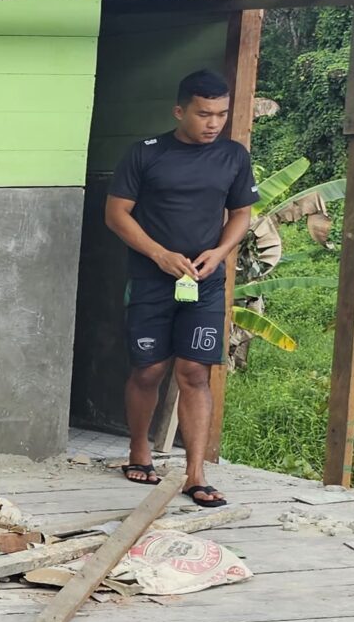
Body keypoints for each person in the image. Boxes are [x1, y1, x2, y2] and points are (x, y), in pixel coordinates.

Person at [104, 67, 257, 509]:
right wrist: (159, 255)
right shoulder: (145, 154)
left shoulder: (234, 156)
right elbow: (117, 215)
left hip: (204, 284)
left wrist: (221, 251)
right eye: (204, 114)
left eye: (221, 114)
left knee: (194, 372)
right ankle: (139, 450)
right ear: (179, 111)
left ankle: (195, 472)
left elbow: (242, 213)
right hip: (151, 280)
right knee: (149, 370)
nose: (213, 123)